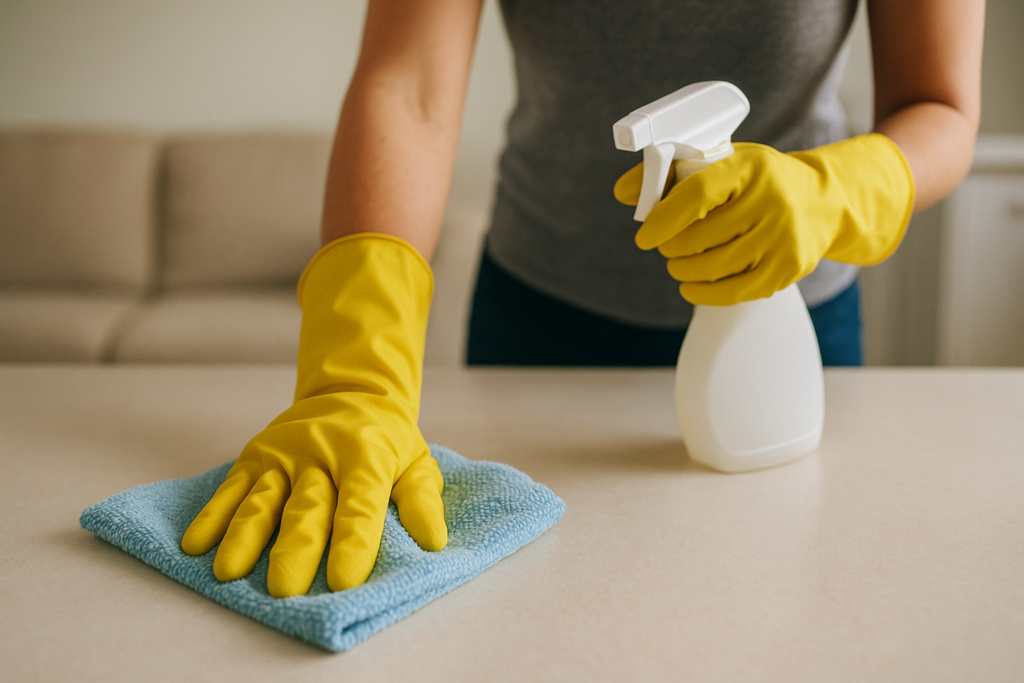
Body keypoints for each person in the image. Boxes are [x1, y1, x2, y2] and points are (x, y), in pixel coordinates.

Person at [181, 0, 985, 597]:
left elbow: (941, 105)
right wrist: (353, 373)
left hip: (785, 329)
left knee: (781, 603)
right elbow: (409, 86)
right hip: (538, 313)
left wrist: (834, 192)